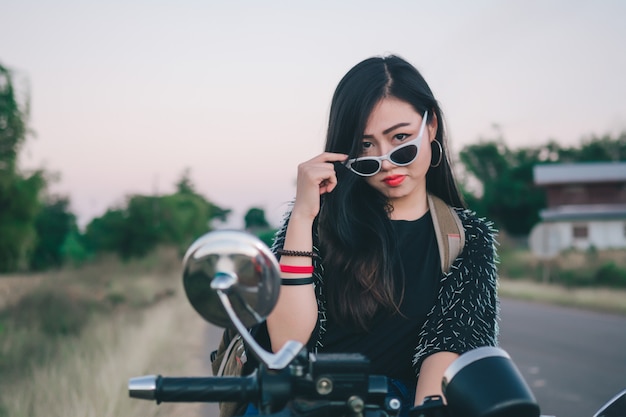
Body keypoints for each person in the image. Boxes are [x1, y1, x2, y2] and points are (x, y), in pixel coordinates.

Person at [260, 54, 499, 416]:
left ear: (430, 125)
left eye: (400, 138)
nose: (386, 161)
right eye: (366, 146)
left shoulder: (466, 239)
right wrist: (303, 217)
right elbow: (286, 345)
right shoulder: (317, 223)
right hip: (306, 405)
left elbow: (451, 344)